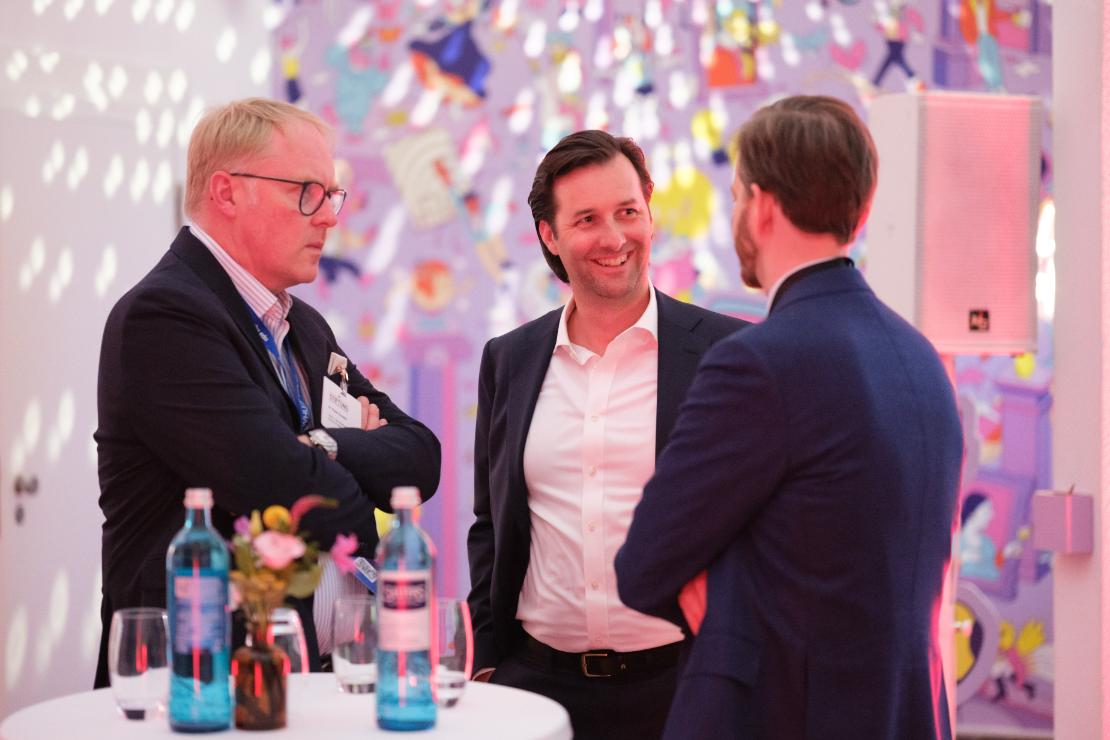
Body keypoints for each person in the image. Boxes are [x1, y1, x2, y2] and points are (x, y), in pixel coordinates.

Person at [615, 95, 963, 739]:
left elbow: (643, 566)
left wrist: (719, 590)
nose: (737, 216)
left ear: (763, 204)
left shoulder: (759, 362)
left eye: (736, 198)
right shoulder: (922, 357)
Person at [94, 98, 440, 687]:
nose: (328, 218)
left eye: (332, 195)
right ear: (227, 192)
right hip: (200, 686)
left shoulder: (302, 324)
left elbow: (420, 461)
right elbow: (292, 489)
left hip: (315, 678)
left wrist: (322, 444)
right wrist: (336, 468)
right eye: (307, 192)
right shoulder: (165, 317)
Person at [466, 130, 747, 740]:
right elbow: (491, 521)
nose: (614, 238)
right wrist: (487, 659)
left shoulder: (730, 353)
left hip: (683, 689)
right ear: (549, 234)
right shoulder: (509, 359)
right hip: (536, 690)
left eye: (627, 211)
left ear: (650, 210)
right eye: (587, 219)